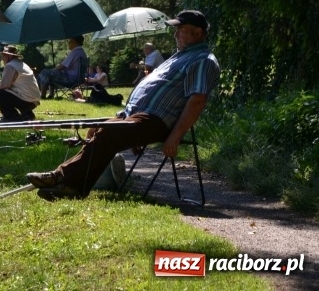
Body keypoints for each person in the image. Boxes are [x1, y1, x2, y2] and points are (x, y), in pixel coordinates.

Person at [26, 10, 220, 201]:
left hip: (157, 120)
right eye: (175, 30)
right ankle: (74, 187)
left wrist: (175, 137)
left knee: (109, 133)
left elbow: (197, 101)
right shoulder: (179, 56)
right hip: (136, 115)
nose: (175, 34)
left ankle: (60, 177)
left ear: (197, 32)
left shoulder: (203, 60)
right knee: (96, 128)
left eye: (181, 29)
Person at [0, 45, 42, 122]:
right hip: (34, 101)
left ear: (8, 56)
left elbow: (3, 86)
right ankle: (27, 114)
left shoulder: (10, 66)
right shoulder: (23, 64)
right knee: (10, 93)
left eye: (3, 56)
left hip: (25, 100)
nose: (2, 58)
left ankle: (11, 117)